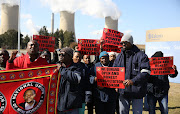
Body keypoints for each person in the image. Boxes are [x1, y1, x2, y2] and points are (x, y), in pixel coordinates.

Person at [113, 34, 150, 114]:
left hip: (137, 92)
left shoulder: (141, 55)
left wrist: (133, 81)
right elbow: (115, 71)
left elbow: (146, 72)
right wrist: (116, 85)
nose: (123, 44)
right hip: (123, 92)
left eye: (125, 42)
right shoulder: (119, 56)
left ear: (131, 43)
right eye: (122, 43)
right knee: (122, 112)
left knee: (137, 112)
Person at [57, 47, 83, 114]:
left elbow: (76, 79)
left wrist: (62, 70)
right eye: (59, 54)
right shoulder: (56, 67)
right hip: (60, 105)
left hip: (72, 105)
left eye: (63, 54)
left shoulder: (77, 67)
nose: (60, 56)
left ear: (70, 56)